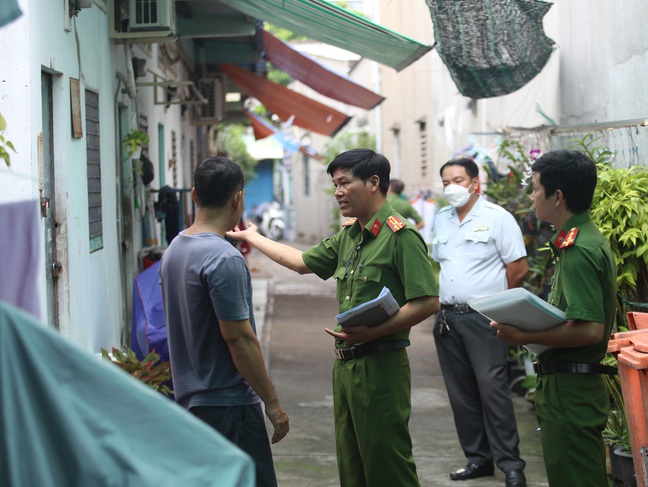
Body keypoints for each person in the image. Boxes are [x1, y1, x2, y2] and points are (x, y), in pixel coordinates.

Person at [227, 148, 440, 487]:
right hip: (346, 367)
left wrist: (374, 333)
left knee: (387, 464)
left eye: (344, 183)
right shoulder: (350, 237)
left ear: (373, 182)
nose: (338, 192)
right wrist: (253, 236)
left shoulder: (401, 237)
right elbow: (300, 263)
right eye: (335, 184)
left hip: (381, 366)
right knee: (351, 464)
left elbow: (427, 302)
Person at [159, 156, 289, 487]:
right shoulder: (223, 258)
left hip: (191, 402)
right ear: (238, 199)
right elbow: (240, 340)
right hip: (229, 407)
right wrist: (272, 405)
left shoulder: (175, 248)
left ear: (193, 195)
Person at [490, 150, 617, 486]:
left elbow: (590, 330)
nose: (530, 197)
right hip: (568, 388)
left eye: (534, 188)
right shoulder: (578, 240)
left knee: (576, 479)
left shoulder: (579, 249)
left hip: (570, 391)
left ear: (557, 197)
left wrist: (524, 336)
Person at [430, 158, 529, 487]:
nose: (451, 187)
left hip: (484, 319)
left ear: (475, 183)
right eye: (445, 182)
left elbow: (518, 268)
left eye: (457, 179)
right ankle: (478, 459)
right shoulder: (441, 219)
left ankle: (511, 465)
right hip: (447, 319)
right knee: (461, 395)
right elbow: (439, 267)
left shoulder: (497, 218)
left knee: (493, 392)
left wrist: (498, 306)